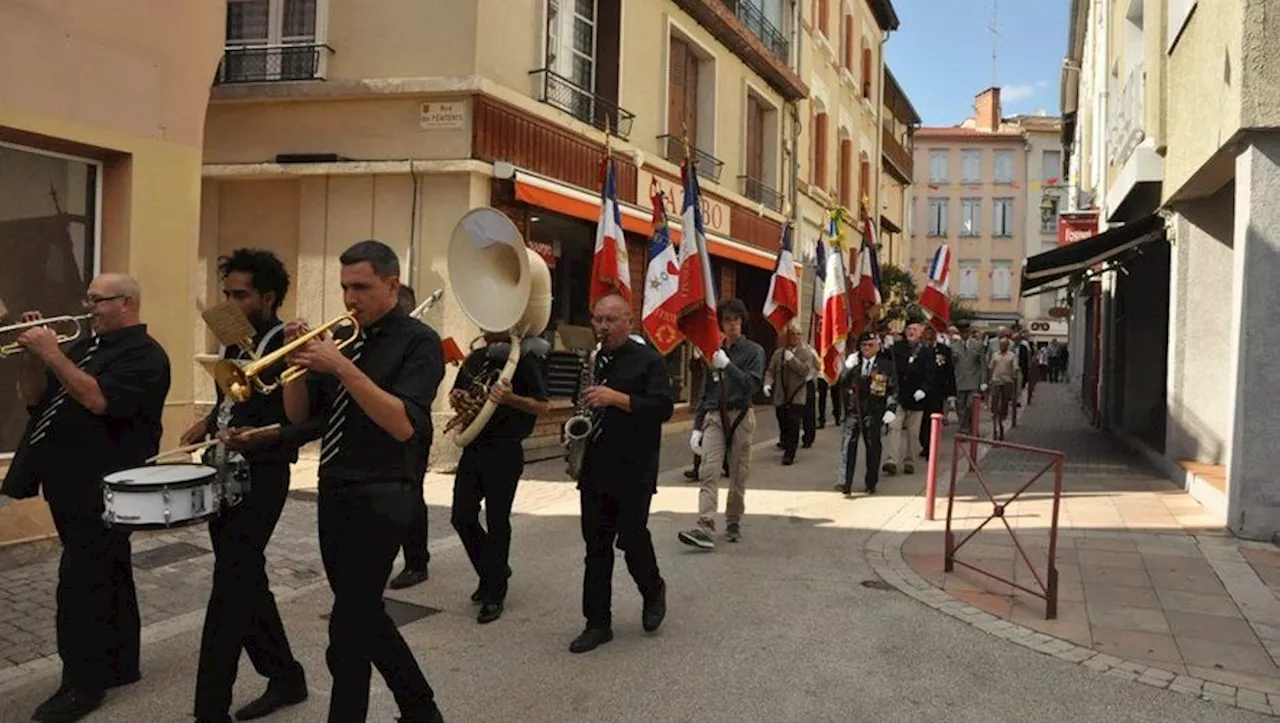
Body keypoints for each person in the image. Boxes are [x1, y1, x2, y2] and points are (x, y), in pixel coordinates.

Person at [282, 240, 445, 723]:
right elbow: (300, 415)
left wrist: (342, 367)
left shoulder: (419, 342)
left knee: (349, 629)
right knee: (363, 612)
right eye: (344, 288)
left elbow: (402, 423)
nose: (350, 299)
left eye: (362, 287)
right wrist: (294, 365)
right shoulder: (345, 341)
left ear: (392, 286)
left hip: (385, 490)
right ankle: (421, 708)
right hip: (335, 486)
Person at [2, 273, 170, 722]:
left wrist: (53, 353)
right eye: (89, 298)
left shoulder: (145, 356)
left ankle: (82, 686)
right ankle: (119, 665)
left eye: (99, 300)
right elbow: (37, 398)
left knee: (80, 584)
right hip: (68, 479)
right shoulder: (90, 347)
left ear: (128, 303)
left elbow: (98, 400)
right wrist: (33, 359)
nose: (89, 306)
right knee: (110, 573)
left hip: (105, 484)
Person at [181, 250, 311, 723]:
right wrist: (207, 420)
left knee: (229, 587)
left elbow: (297, 417)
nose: (231, 302)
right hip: (224, 466)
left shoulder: (284, 339)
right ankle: (286, 676)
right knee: (245, 579)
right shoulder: (234, 340)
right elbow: (233, 399)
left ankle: (208, 709)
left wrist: (296, 365)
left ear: (268, 297)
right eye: (227, 293)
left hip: (264, 474)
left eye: (241, 294)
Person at [569, 294, 673, 653]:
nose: (602, 327)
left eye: (610, 320)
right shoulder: (593, 359)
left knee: (631, 540)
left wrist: (617, 399)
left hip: (634, 469)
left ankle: (653, 589)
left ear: (629, 321)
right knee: (596, 548)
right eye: (597, 319)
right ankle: (597, 623)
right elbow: (579, 401)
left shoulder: (648, 361)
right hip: (596, 468)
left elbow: (663, 408)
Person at [448, 330, 548, 624]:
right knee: (461, 516)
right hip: (474, 446)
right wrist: (458, 398)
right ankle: (494, 570)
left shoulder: (524, 362)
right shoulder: (477, 358)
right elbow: (459, 396)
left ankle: (494, 593)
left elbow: (542, 406)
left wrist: (511, 398)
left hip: (505, 449)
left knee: (497, 520)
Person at [678, 299, 764, 550]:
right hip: (715, 416)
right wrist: (697, 426)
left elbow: (753, 386)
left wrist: (729, 366)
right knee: (709, 470)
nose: (732, 325)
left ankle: (733, 519)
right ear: (721, 324)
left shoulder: (754, 351)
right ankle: (705, 524)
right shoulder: (713, 350)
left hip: (740, 415)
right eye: (727, 320)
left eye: (736, 320)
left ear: (742, 322)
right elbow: (706, 391)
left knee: (738, 474)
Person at [387, 285, 440, 591]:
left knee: (411, 496)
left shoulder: (420, 340)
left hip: (413, 430)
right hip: (381, 430)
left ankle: (417, 562)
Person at [834, 331, 897, 496]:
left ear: (877, 347)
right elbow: (841, 382)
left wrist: (891, 409)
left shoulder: (885, 366)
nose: (867, 348)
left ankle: (871, 482)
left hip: (874, 412)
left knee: (873, 448)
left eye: (870, 345)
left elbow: (893, 390)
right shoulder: (854, 362)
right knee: (848, 446)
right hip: (854, 411)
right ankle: (844, 482)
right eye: (864, 345)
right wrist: (847, 368)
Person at [763, 323, 819, 466]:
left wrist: (792, 360)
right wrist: (767, 383)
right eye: (791, 334)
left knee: (794, 423)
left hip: (797, 394)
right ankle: (786, 442)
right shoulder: (778, 353)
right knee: (783, 422)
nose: (794, 337)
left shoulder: (806, 353)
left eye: (797, 334)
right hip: (781, 394)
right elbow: (770, 370)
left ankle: (790, 454)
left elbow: (805, 371)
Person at [884, 322, 931, 476]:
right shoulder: (897, 348)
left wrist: (923, 389)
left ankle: (910, 460)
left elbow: (930, 374)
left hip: (916, 398)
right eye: (909, 329)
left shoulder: (926, 351)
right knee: (894, 427)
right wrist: (886, 348)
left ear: (920, 333)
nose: (911, 332)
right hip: (899, 395)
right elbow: (890, 367)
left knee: (913, 432)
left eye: (914, 330)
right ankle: (892, 460)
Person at [918, 326, 955, 459]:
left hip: (938, 391)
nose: (928, 335)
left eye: (931, 333)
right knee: (922, 421)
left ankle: (931, 447)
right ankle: (924, 444)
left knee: (934, 420)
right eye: (926, 333)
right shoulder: (920, 350)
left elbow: (949, 371)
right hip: (921, 391)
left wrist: (951, 392)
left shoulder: (943, 350)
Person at [951, 325, 989, 435]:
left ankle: (969, 428)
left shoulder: (978, 345)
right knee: (960, 408)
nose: (964, 334)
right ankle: (964, 428)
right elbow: (952, 366)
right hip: (959, 381)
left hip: (974, 381)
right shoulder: (954, 346)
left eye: (966, 332)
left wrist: (983, 381)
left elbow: (983, 365)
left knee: (970, 405)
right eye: (962, 332)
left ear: (969, 332)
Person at [988, 337, 1020, 441]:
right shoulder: (995, 355)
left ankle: (1003, 414)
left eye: (1004, 345)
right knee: (995, 400)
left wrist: (1015, 375)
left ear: (1007, 346)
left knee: (1005, 402)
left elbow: (1015, 368)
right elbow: (991, 367)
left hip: (1007, 381)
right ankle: (995, 415)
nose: (1002, 347)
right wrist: (989, 380)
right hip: (996, 381)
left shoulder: (1011, 356)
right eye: (1000, 345)